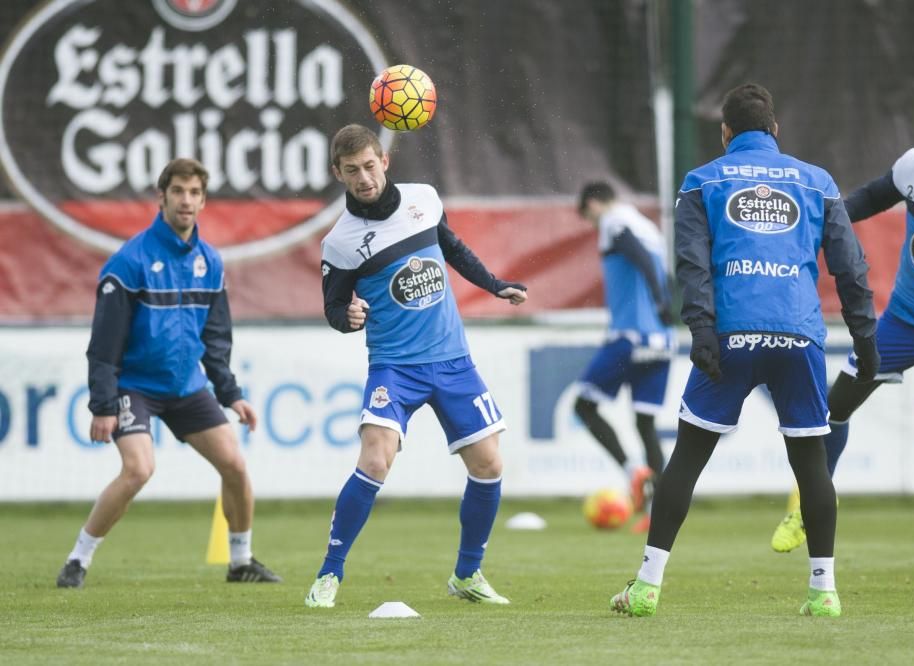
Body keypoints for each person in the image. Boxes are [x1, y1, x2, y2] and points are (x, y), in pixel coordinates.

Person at [608, 83, 878, 618]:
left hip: (730, 335)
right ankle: (823, 592)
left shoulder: (702, 180)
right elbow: (850, 266)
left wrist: (701, 330)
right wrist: (866, 341)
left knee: (686, 458)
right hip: (798, 335)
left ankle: (646, 587)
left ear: (725, 132)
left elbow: (691, 262)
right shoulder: (816, 181)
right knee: (811, 465)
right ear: (774, 130)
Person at [769, 96, 914, 573]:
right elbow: (865, 201)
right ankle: (809, 508)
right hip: (904, 323)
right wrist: (811, 231)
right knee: (831, 410)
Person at [305, 124, 527, 609]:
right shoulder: (339, 242)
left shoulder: (424, 199)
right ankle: (329, 574)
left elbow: (452, 248)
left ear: (384, 161)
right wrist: (348, 317)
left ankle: (467, 575)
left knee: (489, 464)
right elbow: (333, 307)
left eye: (369, 165)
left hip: (453, 361)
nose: (363, 177)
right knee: (375, 459)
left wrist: (494, 285)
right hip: (395, 367)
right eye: (351, 171)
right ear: (337, 174)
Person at [56, 158, 281, 588]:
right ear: (161, 197)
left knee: (234, 463)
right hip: (135, 387)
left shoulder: (210, 262)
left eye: (195, 192)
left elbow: (216, 342)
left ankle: (240, 562)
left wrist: (231, 394)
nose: (186, 200)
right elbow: (103, 346)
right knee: (139, 469)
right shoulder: (129, 261)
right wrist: (103, 405)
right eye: (178, 191)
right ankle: (77, 559)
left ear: (203, 200)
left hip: (185, 387)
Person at [575, 182, 675, 532]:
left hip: (628, 337)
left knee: (584, 407)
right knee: (645, 423)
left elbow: (638, 256)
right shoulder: (649, 226)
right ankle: (658, 514)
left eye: (588, 217)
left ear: (592, 203)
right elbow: (663, 269)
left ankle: (634, 473)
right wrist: (666, 305)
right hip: (661, 341)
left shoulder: (613, 221)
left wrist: (660, 301)